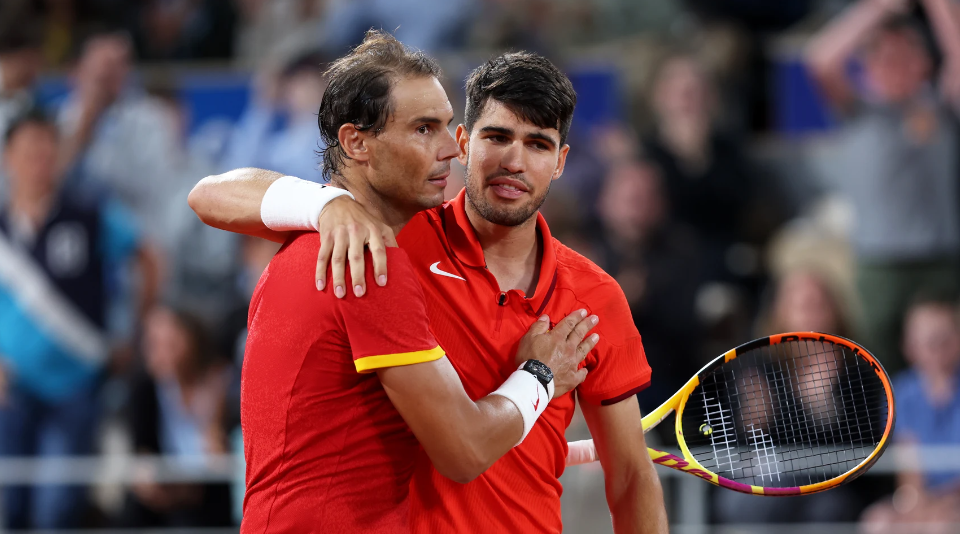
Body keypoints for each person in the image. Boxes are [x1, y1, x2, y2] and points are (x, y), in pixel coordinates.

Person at [190, 44, 668, 533]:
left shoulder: (597, 296)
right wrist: (328, 204)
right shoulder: (376, 246)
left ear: (562, 160)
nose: (514, 161)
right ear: (468, 142)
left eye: (538, 144)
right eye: (497, 137)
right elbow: (208, 194)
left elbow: (631, 475)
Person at [0, 111, 160, 529]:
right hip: (12, 388)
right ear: (7, 158)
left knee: (58, 507)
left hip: (77, 384)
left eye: (46, 150)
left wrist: (133, 331)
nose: (38, 161)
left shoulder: (89, 214)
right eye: (28, 152)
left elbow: (148, 258)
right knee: (9, 505)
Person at [804, 0, 960, 372]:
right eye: (885, 57)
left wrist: (938, 6)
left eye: (907, 54)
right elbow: (819, 62)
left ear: (925, 63)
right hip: (880, 265)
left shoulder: (942, 109)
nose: (897, 65)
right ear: (868, 69)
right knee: (880, 371)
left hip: (942, 260)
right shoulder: (857, 112)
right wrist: (879, 8)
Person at [120, 304, 233, 528]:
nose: (162, 351)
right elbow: (141, 452)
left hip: (207, 496)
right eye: (154, 343)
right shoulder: (143, 389)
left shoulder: (221, 383)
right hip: (164, 493)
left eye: (170, 342)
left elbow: (219, 458)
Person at [861, 298, 960, 532]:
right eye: (926, 341)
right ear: (909, 346)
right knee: (877, 522)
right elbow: (909, 464)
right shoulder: (901, 392)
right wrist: (918, 504)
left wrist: (943, 503)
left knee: (942, 526)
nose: (935, 348)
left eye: (943, 339)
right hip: (922, 498)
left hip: (953, 500)